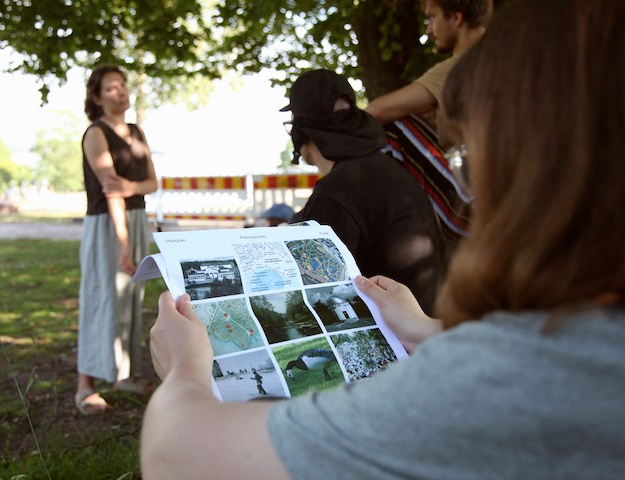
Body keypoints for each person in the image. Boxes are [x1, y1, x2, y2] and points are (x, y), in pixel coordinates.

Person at [139, 0, 625, 477]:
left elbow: (176, 454)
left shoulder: (516, 375)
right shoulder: (587, 346)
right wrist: (428, 330)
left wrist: (185, 370)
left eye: (470, 160)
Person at [284, 68, 444, 314]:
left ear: (301, 128)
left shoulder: (336, 191)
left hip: (397, 334)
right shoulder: (390, 170)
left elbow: (312, 292)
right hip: (429, 323)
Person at [365, 0, 492, 248]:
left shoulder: (461, 66)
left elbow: (375, 112)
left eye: (432, 18)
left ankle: (396, 241)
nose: (429, 30)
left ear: (456, 18)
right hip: (516, 197)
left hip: (476, 208)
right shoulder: (507, 59)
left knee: (393, 126)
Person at [75, 64, 159, 415]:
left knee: (130, 299)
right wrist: (123, 243)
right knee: (101, 297)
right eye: (111, 87)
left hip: (137, 220)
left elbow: (152, 183)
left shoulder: (137, 132)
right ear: (96, 97)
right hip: (108, 225)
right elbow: (112, 192)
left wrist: (131, 187)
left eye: (123, 85)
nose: (121, 91)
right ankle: (84, 387)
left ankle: (125, 375)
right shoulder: (96, 133)